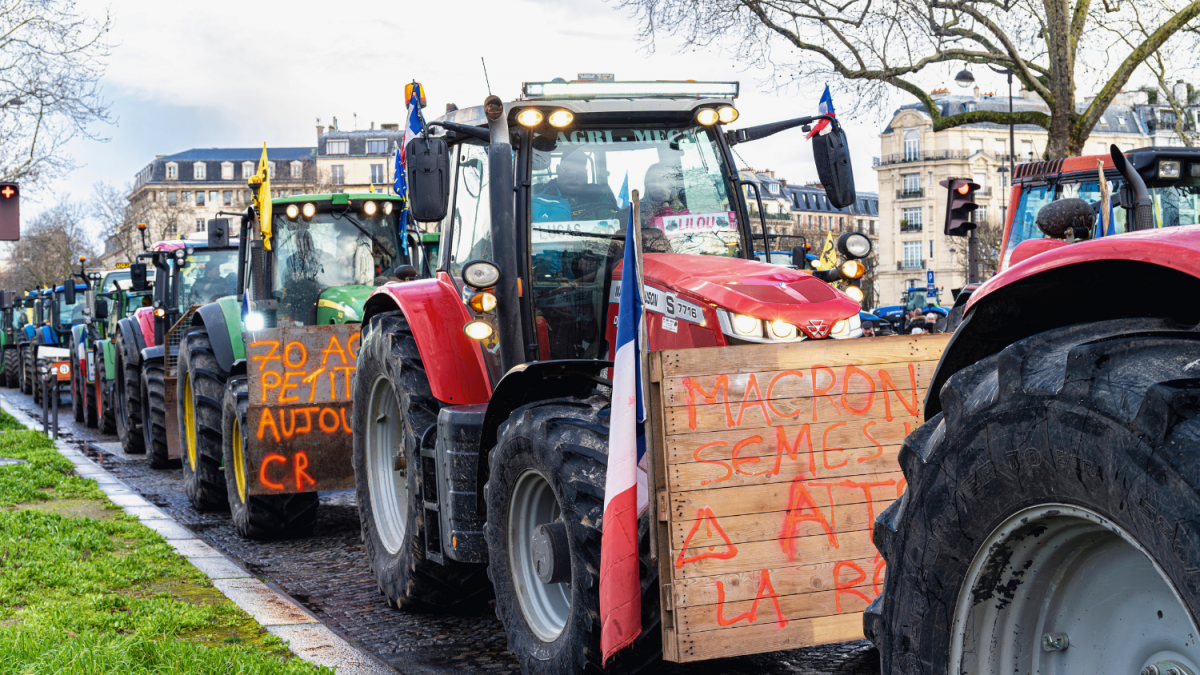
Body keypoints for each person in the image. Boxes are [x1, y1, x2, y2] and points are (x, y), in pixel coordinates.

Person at [535, 152, 618, 221]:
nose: (574, 178)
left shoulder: (598, 194)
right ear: (558, 170)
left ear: (586, 173)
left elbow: (611, 224)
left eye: (580, 174)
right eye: (569, 173)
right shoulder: (537, 193)